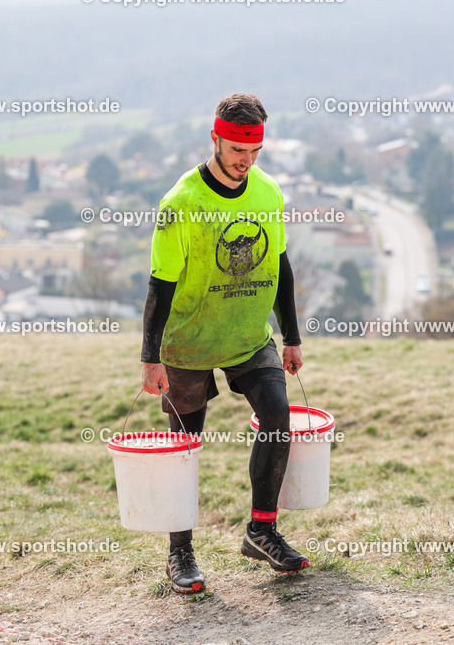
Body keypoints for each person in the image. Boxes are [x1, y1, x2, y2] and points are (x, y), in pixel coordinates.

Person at [140, 93, 308, 594]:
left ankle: (261, 530)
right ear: (214, 139)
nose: (246, 161)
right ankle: (180, 553)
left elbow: (279, 265)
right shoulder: (181, 204)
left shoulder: (268, 193)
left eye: (254, 152)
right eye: (237, 150)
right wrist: (150, 357)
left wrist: (292, 337)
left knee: (278, 416)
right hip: (187, 342)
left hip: (249, 335)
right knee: (183, 447)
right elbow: (160, 284)